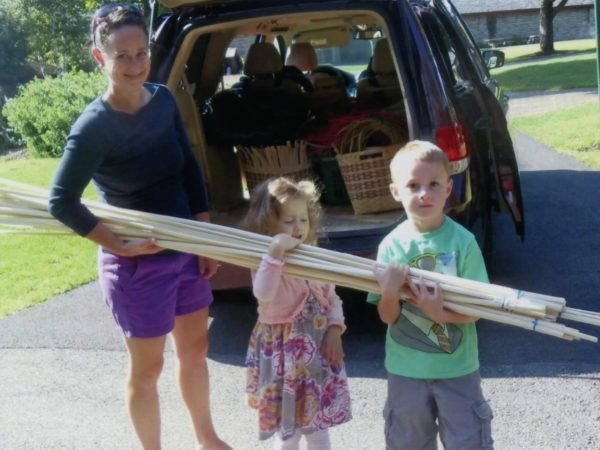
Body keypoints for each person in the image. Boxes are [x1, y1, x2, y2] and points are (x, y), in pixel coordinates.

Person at [48, 4, 230, 450]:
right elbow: (61, 201)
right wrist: (118, 246)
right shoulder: (93, 127)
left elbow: (189, 168)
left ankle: (207, 439)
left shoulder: (163, 100)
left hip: (186, 250)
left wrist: (203, 236)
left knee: (196, 351)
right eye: (121, 56)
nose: (134, 65)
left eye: (140, 53)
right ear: (99, 58)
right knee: (148, 371)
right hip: (136, 267)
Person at [368, 140, 494, 450]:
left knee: (468, 442)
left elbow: (479, 310)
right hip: (406, 370)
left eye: (433, 184)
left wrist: (441, 314)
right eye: (413, 185)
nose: (424, 193)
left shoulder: (463, 242)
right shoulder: (391, 247)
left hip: (457, 369)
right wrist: (388, 292)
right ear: (396, 191)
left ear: (449, 189)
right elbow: (388, 316)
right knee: (408, 443)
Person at [242, 177, 352, 450]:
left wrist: (335, 328)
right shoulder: (265, 260)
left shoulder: (314, 257)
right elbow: (263, 293)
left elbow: (332, 298)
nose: (298, 227)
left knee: (317, 428)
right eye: (288, 221)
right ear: (268, 223)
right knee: (288, 432)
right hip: (283, 355)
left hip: (316, 353)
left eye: (303, 219)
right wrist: (276, 250)